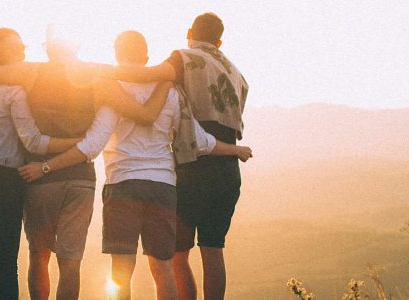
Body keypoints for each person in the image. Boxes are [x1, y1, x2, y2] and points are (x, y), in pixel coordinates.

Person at [17, 31, 252, 300]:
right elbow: (198, 140)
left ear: (117, 54)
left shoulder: (112, 90)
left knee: (121, 271)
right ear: (147, 56)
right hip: (162, 187)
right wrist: (235, 149)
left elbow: (92, 145)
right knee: (162, 268)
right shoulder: (172, 92)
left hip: (122, 185)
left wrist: (47, 166)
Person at [0, 27, 170, 300]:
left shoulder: (31, 72)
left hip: (38, 177)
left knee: (39, 256)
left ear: (48, 46)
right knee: (70, 263)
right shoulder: (97, 76)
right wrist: (168, 77)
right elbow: (144, 114)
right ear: (76, 45)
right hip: (81, 180)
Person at [106, 13, 250, 300]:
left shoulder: (182, 58)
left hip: (192, 166)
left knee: (176, 254)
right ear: (219, 41)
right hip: (227, 168)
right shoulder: (236, 73)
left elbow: (145, 76)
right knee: (213, 249)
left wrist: (94, 72)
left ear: (189, 32)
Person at [0, 28, 79, 300]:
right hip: (2, 182)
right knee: (5, 266)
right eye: (16, 48)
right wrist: (74, 143)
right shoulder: (14, 92)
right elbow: (32, 142)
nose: (22, 52)